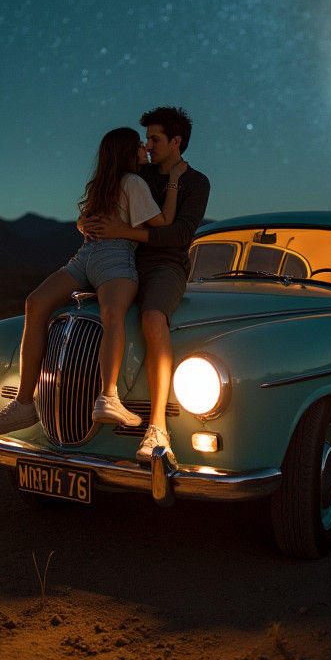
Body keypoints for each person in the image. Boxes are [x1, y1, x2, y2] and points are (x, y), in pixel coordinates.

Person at [0, 127, 186, 436]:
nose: (145, 148)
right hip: (90, 257)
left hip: (107, 257)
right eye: (139, 145)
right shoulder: (129, 182)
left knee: (106, 314)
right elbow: (163, 223)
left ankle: (107, 395)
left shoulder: (126, 183)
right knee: (39, 303)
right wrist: (173, 183)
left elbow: (156, 227)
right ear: (125, 152)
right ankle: (26, 403)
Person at [80, 106, 210, 464]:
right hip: (123, 260)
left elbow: (178, 234)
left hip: (166, 264)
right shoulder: (139, 172)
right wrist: (86, 224)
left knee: (153, 317)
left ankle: (158, 429)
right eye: (146, 139)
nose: (148, 146)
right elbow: (106, 201)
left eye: (154, 139)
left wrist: (123, 231)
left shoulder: (196, 182)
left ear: (176, 141)